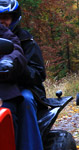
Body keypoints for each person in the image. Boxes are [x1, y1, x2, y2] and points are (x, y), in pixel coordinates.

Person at [0, 0, 46, 149]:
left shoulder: (26, 40)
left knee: (25, 101)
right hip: (3, 86)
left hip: (24, 87)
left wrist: (16, 68)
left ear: (14, 18)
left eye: (6, 17)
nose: (2, 21)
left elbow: (39, 73)